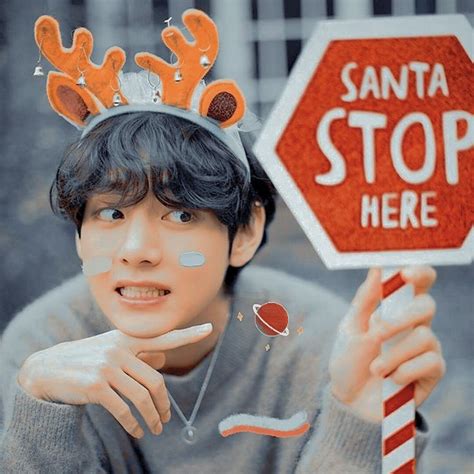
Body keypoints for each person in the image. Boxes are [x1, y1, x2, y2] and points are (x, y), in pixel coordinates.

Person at [0, 9, 445, 473]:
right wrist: (40, 413)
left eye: (180, 214)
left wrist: (358, 419)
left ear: (245, 232)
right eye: (110, 213)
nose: (135, 251)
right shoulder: (42, 348)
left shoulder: (319, 344)